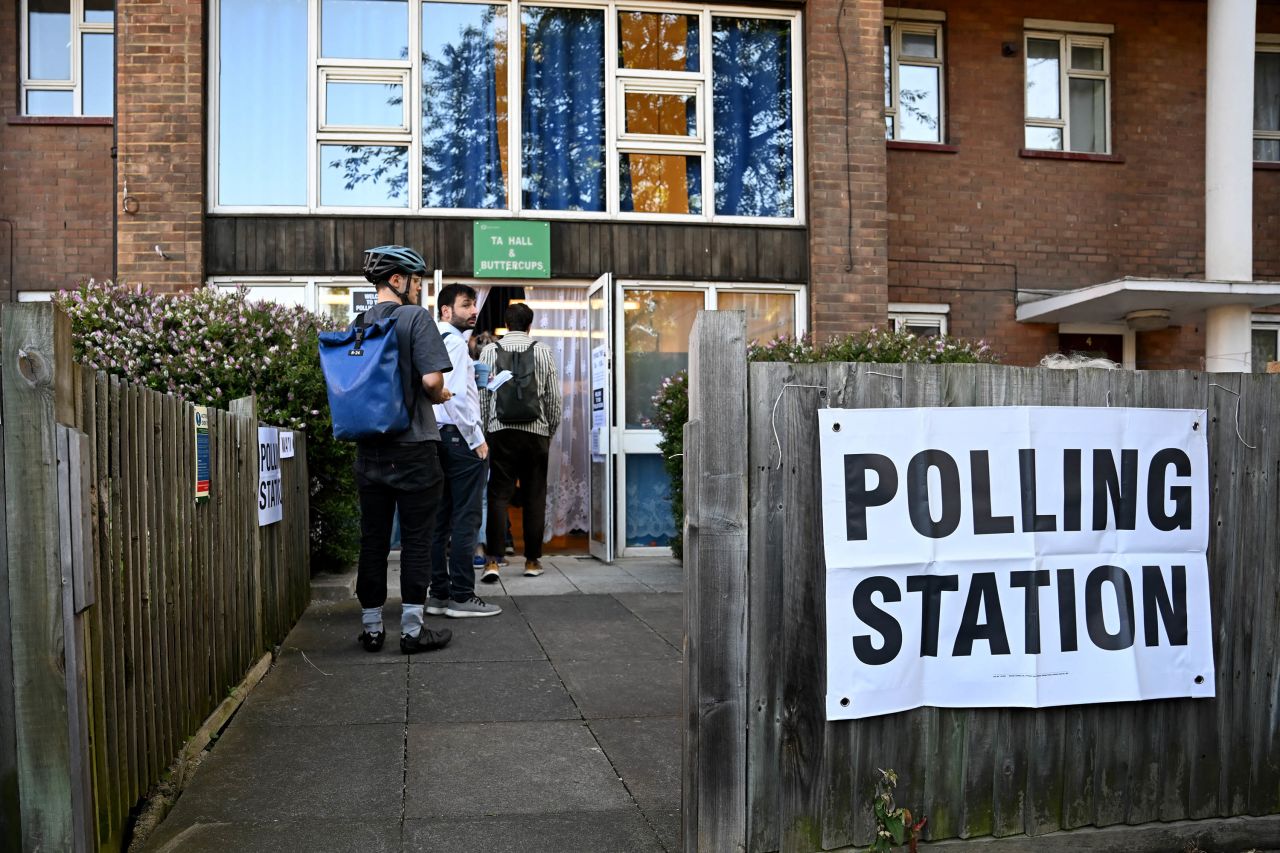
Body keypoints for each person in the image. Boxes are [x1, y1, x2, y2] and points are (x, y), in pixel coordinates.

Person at [352, 245, 456, 655]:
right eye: (416, 280)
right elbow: (431, 381)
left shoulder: (359, 323)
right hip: (413, 447)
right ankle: (412, 631)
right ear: (397, 280)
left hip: (370, 450)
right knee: (416, 539)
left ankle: (372, 628)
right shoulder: (416, 318)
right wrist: (442, 392)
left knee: (373, 539)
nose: (418, 288)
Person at [426, 284, 501, 618]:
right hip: (459, 437)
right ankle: (462, 596)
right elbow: (452, 395)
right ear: (446, 311)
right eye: (466, 305)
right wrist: (477, 439)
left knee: (440, 519)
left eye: (474, 305)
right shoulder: (455, 343)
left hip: (436, 437)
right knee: (466, 517)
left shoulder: (430, 341)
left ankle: (439, 595)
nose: (473, 311)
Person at [478, 302, 562, 582]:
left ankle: (493, 561)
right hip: (535, 432)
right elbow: (552, 398)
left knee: (498, 495)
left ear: (506, 324)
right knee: (534, 496)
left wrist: (486, 429)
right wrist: (548, 430)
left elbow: (483, 395)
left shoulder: (489, 351)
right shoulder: (543, 351)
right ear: (529, 325)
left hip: (500, 431)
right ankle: (532, 561)